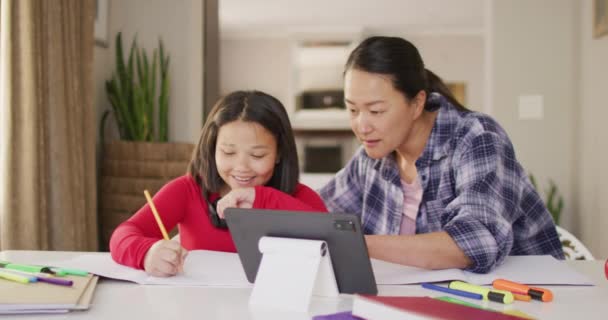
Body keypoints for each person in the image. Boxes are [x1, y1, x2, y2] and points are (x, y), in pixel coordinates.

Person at [319, 36, 564, 273]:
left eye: (376, 110)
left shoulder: (477, 137)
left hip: (527, 297)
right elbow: (319, 211)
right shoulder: (371, 158)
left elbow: (475, 243)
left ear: (416, 104)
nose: (361, 126)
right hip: (429, 299)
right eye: (352, 109)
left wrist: (357, 244)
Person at [110, 90, 327, 277]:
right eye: (228, 152)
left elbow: (334, 246)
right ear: (212, 148)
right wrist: (146, 253)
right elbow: (123, 235)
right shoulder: (188, 190)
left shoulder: (299, 197)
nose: (241, 167)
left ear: (279, 153)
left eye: (258, 155)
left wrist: (264, 198)